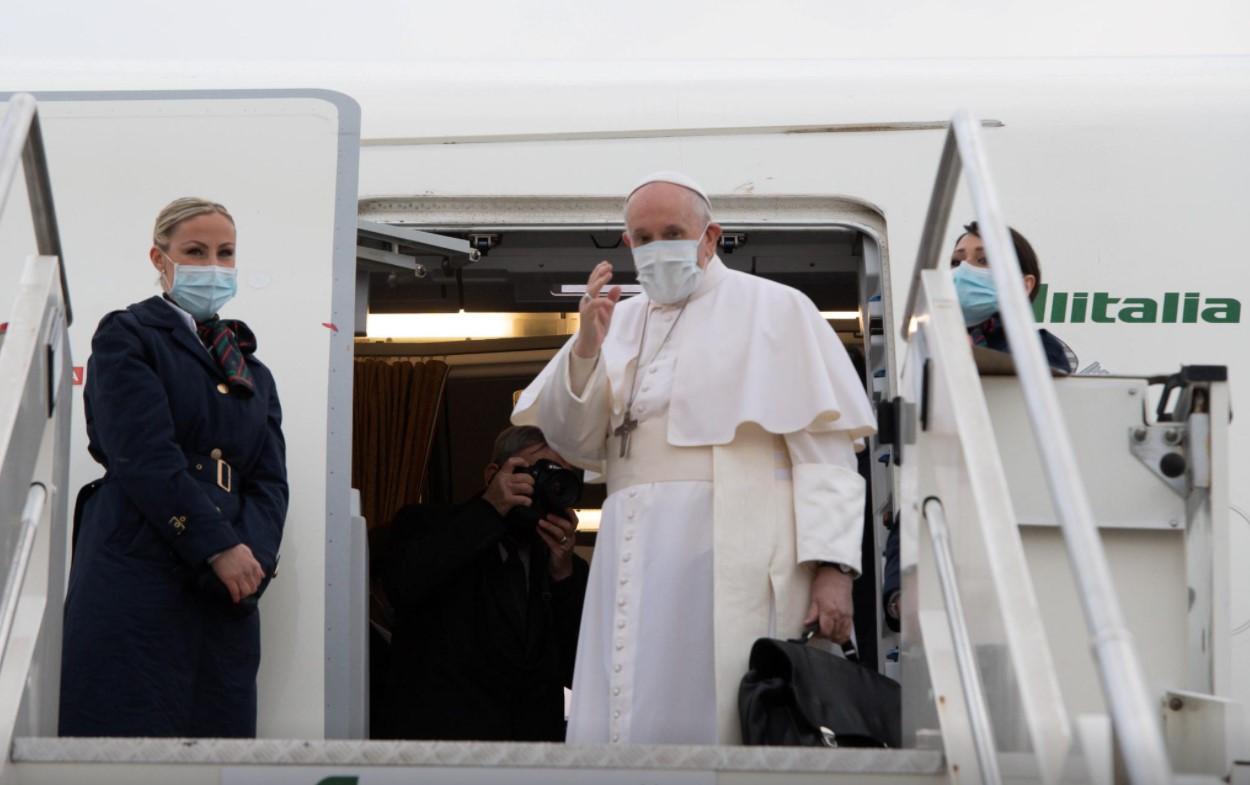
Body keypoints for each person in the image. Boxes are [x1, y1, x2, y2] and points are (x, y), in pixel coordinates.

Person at [513, 171, 876, 745]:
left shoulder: (778, 309)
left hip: (733, 549)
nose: (659, 245)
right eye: (643, 236)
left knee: (722, 717)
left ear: (711, 237)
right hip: (629, 550)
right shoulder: (616, 319)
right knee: (624, 707)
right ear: (628, 244)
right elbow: (575, 441)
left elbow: (826, 457)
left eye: (673, 231)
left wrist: (833, 571)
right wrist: (585, 347)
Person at [59, 197, 288, 738]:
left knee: (217, 745)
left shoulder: (251, 367)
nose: (212, 265)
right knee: (127, 738)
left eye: (224, 253)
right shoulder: (128, 335)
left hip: (225, 589)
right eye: (195, 251)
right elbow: (142, 455)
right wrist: (216, 546)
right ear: (159, 259)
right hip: (138, 562)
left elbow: (269, 482)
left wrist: (250, 559)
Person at [379, 426, 589, 741]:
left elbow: (582, 672)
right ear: (494, 473)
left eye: (561, 477)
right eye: (539, 471)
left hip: (532, 755)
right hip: (442, 749)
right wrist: (489, 509)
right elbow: (404, 584)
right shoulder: (424, 524)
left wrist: (563, 577)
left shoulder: (565, 567)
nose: (546, 485)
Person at [951, 221, 1077, 373]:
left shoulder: (1037, 348)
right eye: (956, 262)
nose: (963, 270)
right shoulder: (934, 343)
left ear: (1024, 286)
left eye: (984, 260)